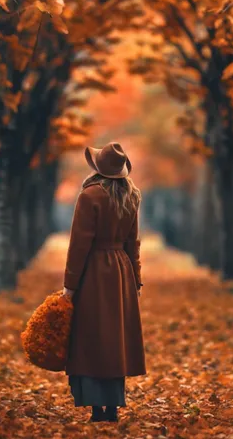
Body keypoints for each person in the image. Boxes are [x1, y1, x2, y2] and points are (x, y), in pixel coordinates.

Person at [62, 141, 146, 423]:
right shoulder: (132, 195)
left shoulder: (89, 196)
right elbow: (133, 243)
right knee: (115, 338)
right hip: (121, 270)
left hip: (94, 271)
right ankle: (112, 406)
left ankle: (97, 408)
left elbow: (78, 245)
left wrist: (69, 285)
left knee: (92, 335)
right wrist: (135, 278)